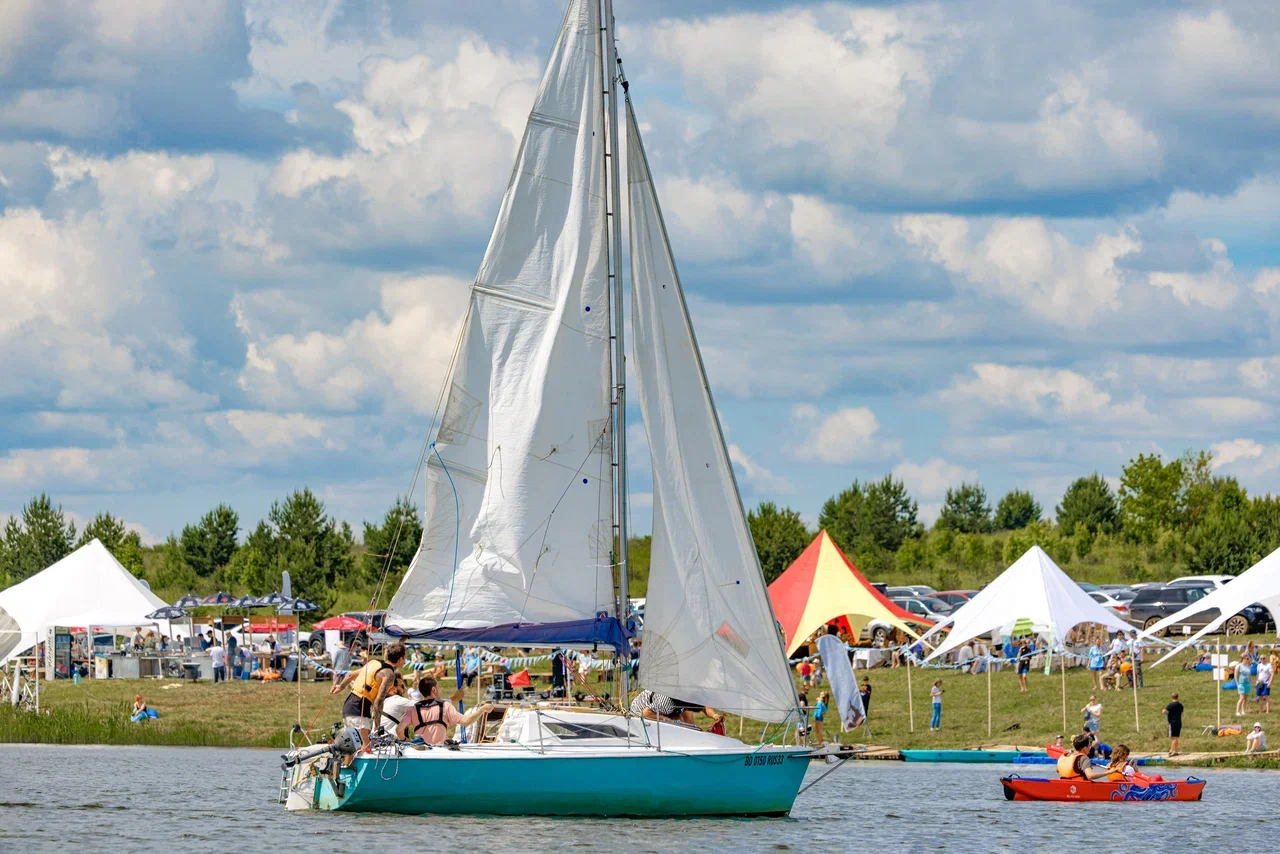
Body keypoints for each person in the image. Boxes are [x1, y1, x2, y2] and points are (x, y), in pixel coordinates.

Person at [331, 641, 407, 752]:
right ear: (400, 659)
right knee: (366, 748)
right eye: (404, 659)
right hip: (359, 708)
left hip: (349, 705)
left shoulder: (373, 663)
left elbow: (350, 675)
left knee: (352, 748)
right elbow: (379, 701)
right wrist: (377, 727)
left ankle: (345, 768)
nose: (405, 661)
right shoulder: (389, 674)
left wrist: (340, 687)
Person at [396, 675, 495, 744]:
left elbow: (399, 730)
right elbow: (467, 721)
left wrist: (407, 741)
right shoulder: (445, 706)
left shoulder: (412, 709)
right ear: (434, 690)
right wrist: (482, 709)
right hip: (440, 752)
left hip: (421, 751)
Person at [1162, 692, 1184, 757]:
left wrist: (1165, 711)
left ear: (1172, 697)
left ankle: (1173, 751)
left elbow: (1164, 711)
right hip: (1178, 722)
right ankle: (1173, 749)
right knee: (1176, 737)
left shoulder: (1171, 705)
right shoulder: (1180, 705)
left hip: (1172, 722)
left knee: (1173, 737)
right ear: (1178, 697)